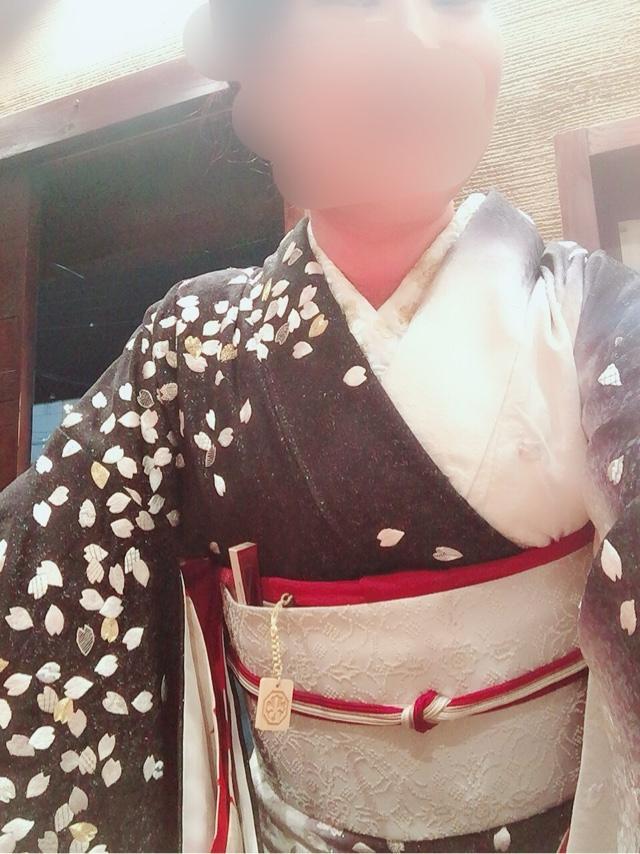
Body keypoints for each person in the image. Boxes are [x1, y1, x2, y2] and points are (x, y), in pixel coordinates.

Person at [1, 1, 639, 851]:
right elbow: (40, 567)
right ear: (252, 68)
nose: (420, 36)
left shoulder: (598, 321)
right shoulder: (191, 344)